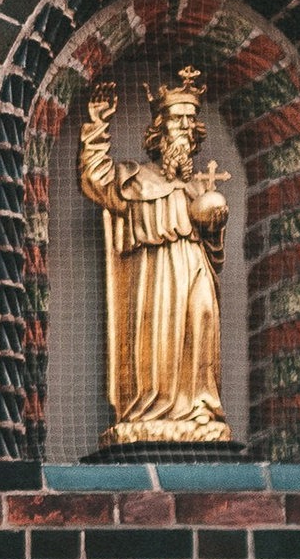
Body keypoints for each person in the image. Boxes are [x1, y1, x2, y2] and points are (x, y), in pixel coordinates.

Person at [77, 67, 234, 448]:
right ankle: (152, 409)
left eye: (189, 120)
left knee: (202, 319)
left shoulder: (201, 186)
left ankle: (199, 407)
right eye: (176, 119)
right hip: (154, 278)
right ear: (159, 130)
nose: (184, 126)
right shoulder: (136, 179)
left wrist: (213, 227)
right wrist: (99, 122)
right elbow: (95, 179)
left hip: (194, 269)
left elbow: (215, 255)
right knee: (158, 333)